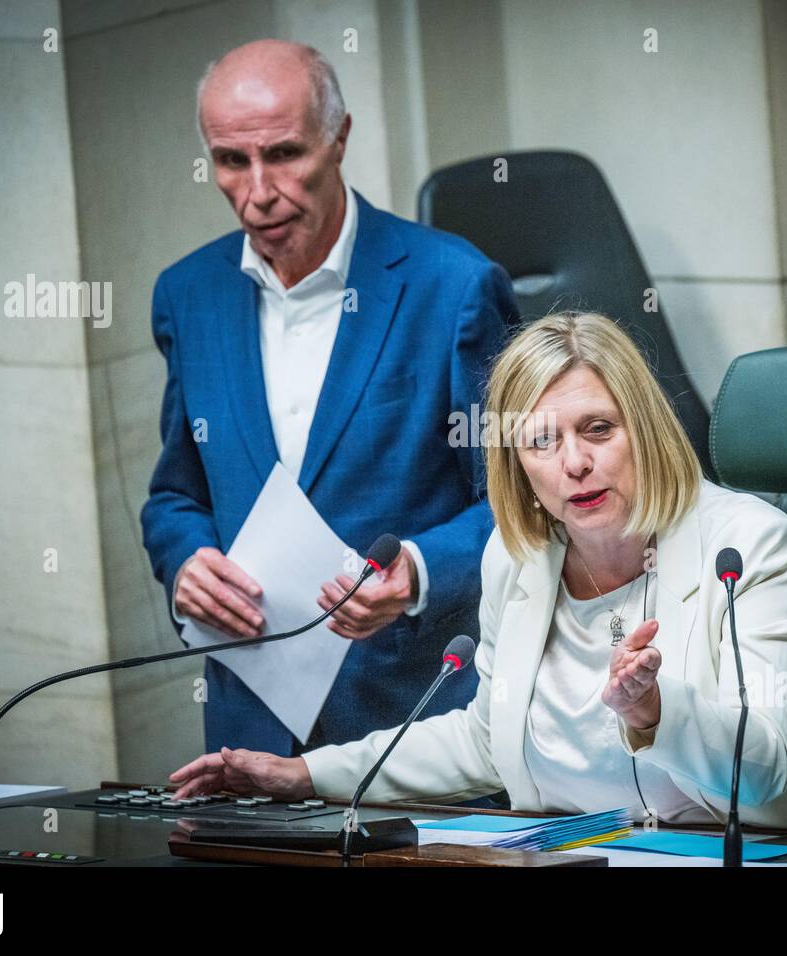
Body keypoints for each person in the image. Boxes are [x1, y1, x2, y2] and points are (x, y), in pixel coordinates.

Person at [170, 311, 787, 835]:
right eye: (541, 442)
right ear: (516, 466)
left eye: (597, 430)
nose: (574, 463)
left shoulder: (751, 549)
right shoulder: (518, 561)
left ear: (643, 430)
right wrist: (303, 777)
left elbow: (760, 767)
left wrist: (652, 711)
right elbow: (485, 740)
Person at [141, 39, 516, 759]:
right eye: (230, 161)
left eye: (284, 154)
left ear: (339, 139)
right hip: (250, 732)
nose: (257, 190)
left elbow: (522, 504)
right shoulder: (187, 295)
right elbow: (175, 493)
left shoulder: (455, 287)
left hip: (413, 724)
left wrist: (419, 570)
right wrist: (186, 559)